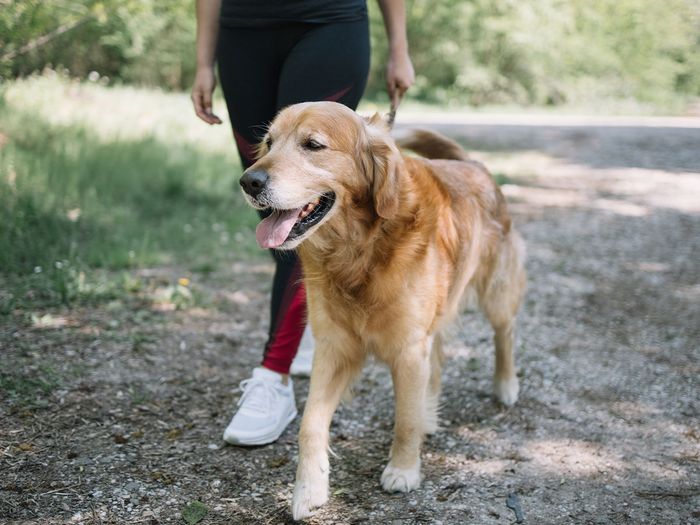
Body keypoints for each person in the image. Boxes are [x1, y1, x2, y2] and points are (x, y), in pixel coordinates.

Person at [191, 0, 414, 446]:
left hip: (330, 22)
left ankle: (273, 377)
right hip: (242, 31)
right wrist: (202, 61)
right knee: (271, 194)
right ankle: (310, 320)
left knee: (303, 208)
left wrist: (399, 47)